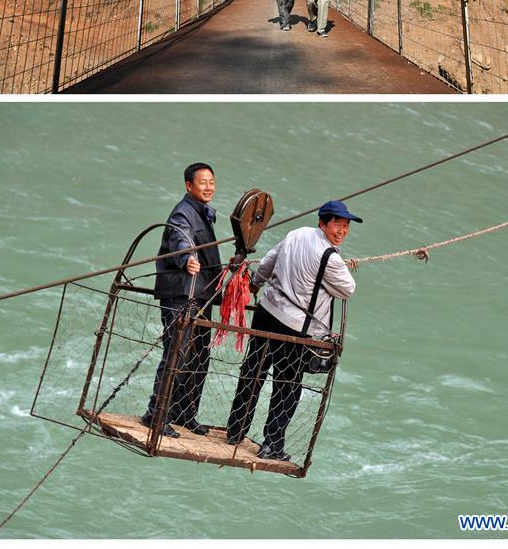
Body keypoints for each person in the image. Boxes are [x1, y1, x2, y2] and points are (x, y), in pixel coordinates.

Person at [226, 200, 360, 461]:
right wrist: (338, 267)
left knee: (253, 370)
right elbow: (347, 289)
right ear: (322, 223)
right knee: (287, 385)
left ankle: (235, 430)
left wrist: (254, 284)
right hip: (294, 326)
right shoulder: (330, 258)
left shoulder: (296, 234)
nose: (341, 231)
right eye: (337, 225)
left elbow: (267, 262)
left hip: (266, 311)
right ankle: (272, 445)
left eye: (345, 226)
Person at [141, 163, 222, 438]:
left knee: (200, 356)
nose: (209, 187)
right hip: (181, 295)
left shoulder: (204, 213)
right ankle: (156, 414)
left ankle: (184, 413)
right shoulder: (182, 213)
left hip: (200, 296)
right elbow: (180, 240)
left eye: (212, 182)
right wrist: (186, 258)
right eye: (203, 182)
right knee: (177, 353)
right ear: (189, 185)